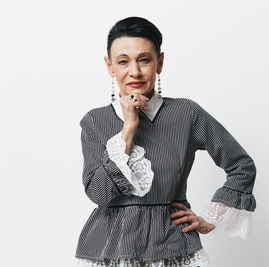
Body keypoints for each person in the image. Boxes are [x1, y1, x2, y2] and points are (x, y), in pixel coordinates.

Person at [72, 16, 257, 267]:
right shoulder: (94, 121)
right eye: (123, 61)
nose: (134, 71)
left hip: (172, 244)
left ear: (159, 63)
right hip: (109, 249)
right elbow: (98, 194)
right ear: (110, 66)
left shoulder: (186, 113)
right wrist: (128, 128)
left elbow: (241, 165)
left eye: (144, 60)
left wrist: (210, 219)